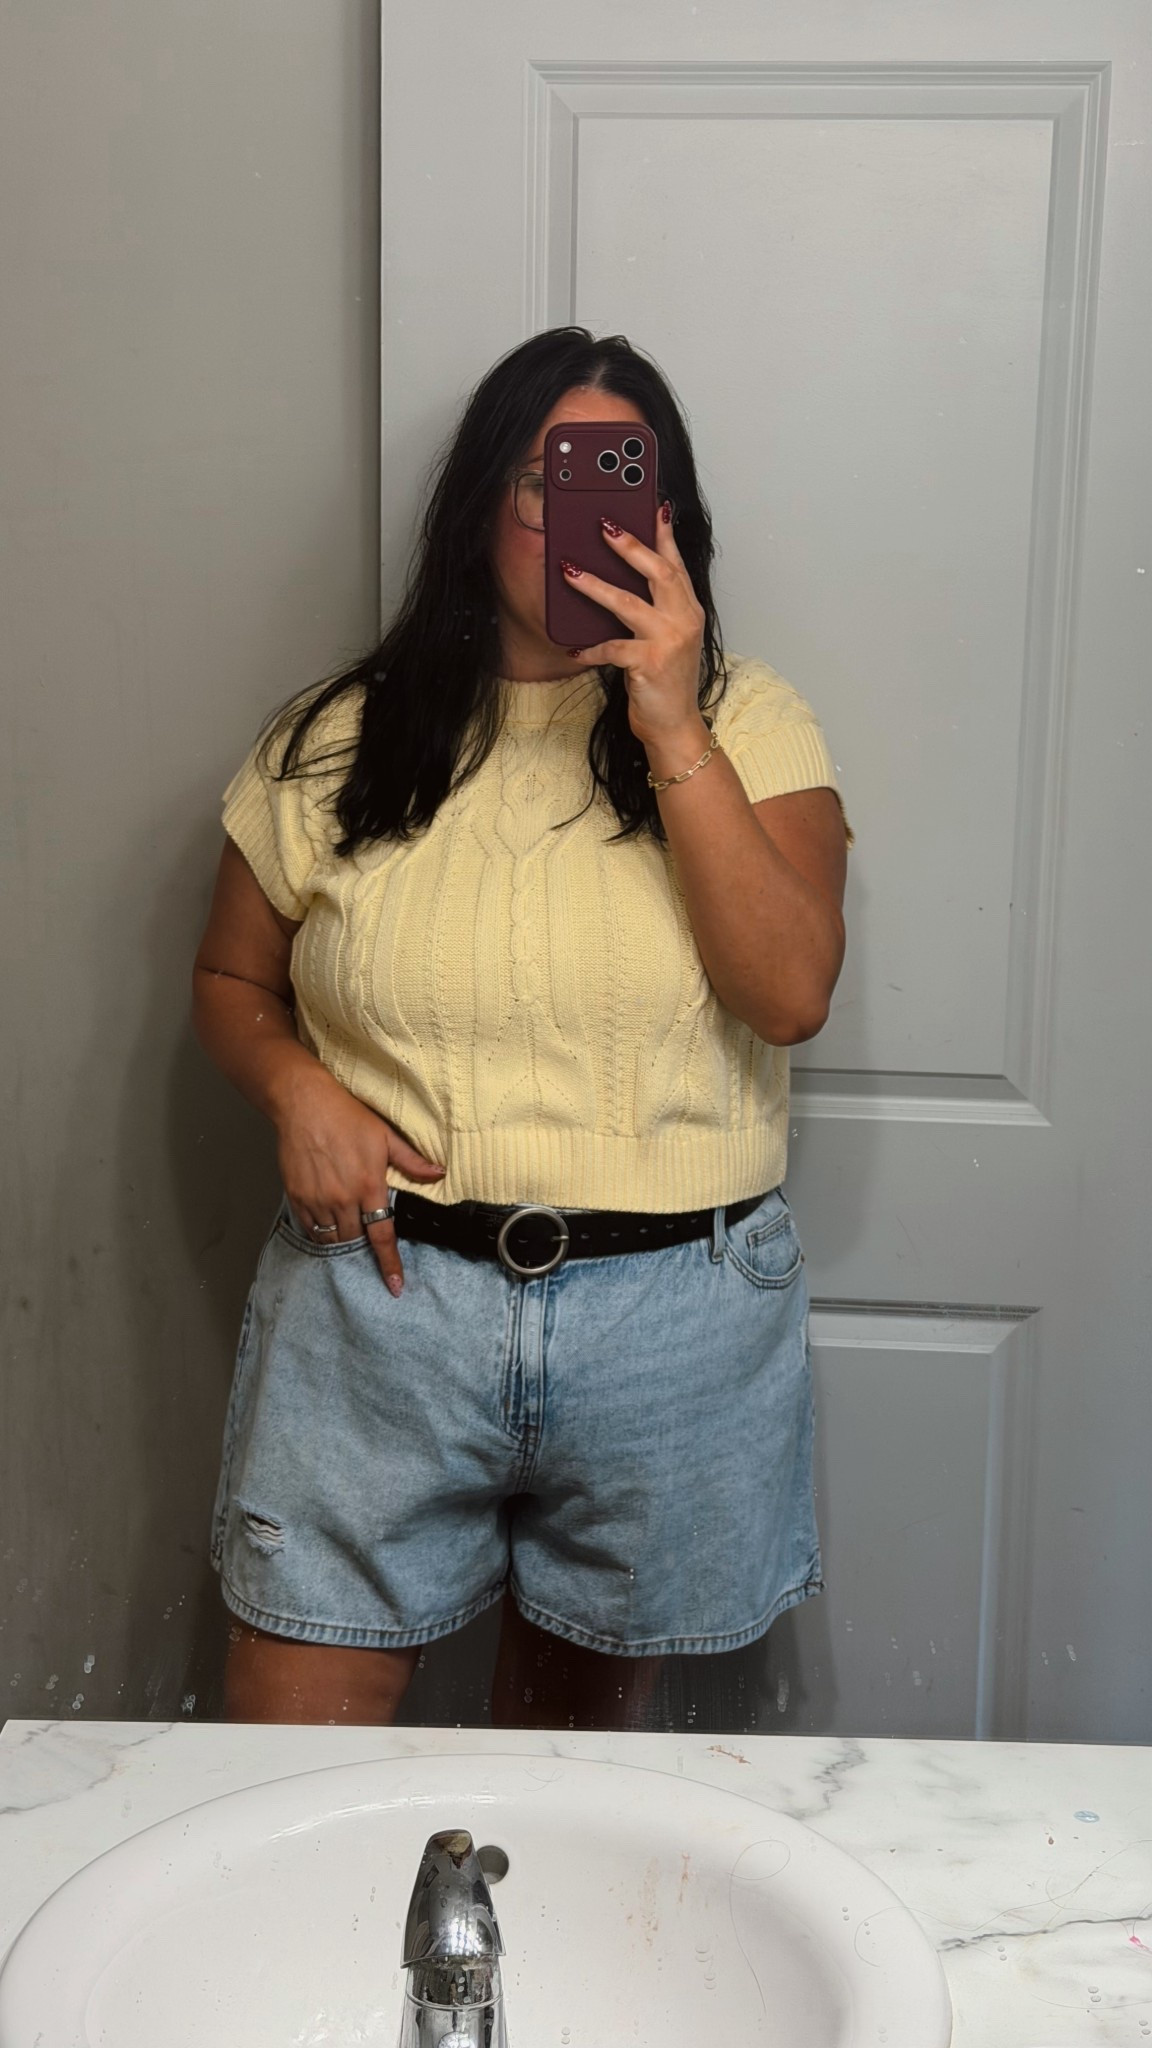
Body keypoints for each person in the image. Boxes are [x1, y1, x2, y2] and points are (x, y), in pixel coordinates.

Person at [192, 325, 854, 1732]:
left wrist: (670, 723)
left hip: (670, 1317)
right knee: (279, 1777)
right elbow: (231, 980)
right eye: (552, 480)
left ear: (668, 519)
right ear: (483, 500)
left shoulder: (753, 724)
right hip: (379, 1308)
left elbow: (790, 993)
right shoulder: (335, 739)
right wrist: (295, 1090)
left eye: (624, 481)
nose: (583, 519)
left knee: (572, 1791)